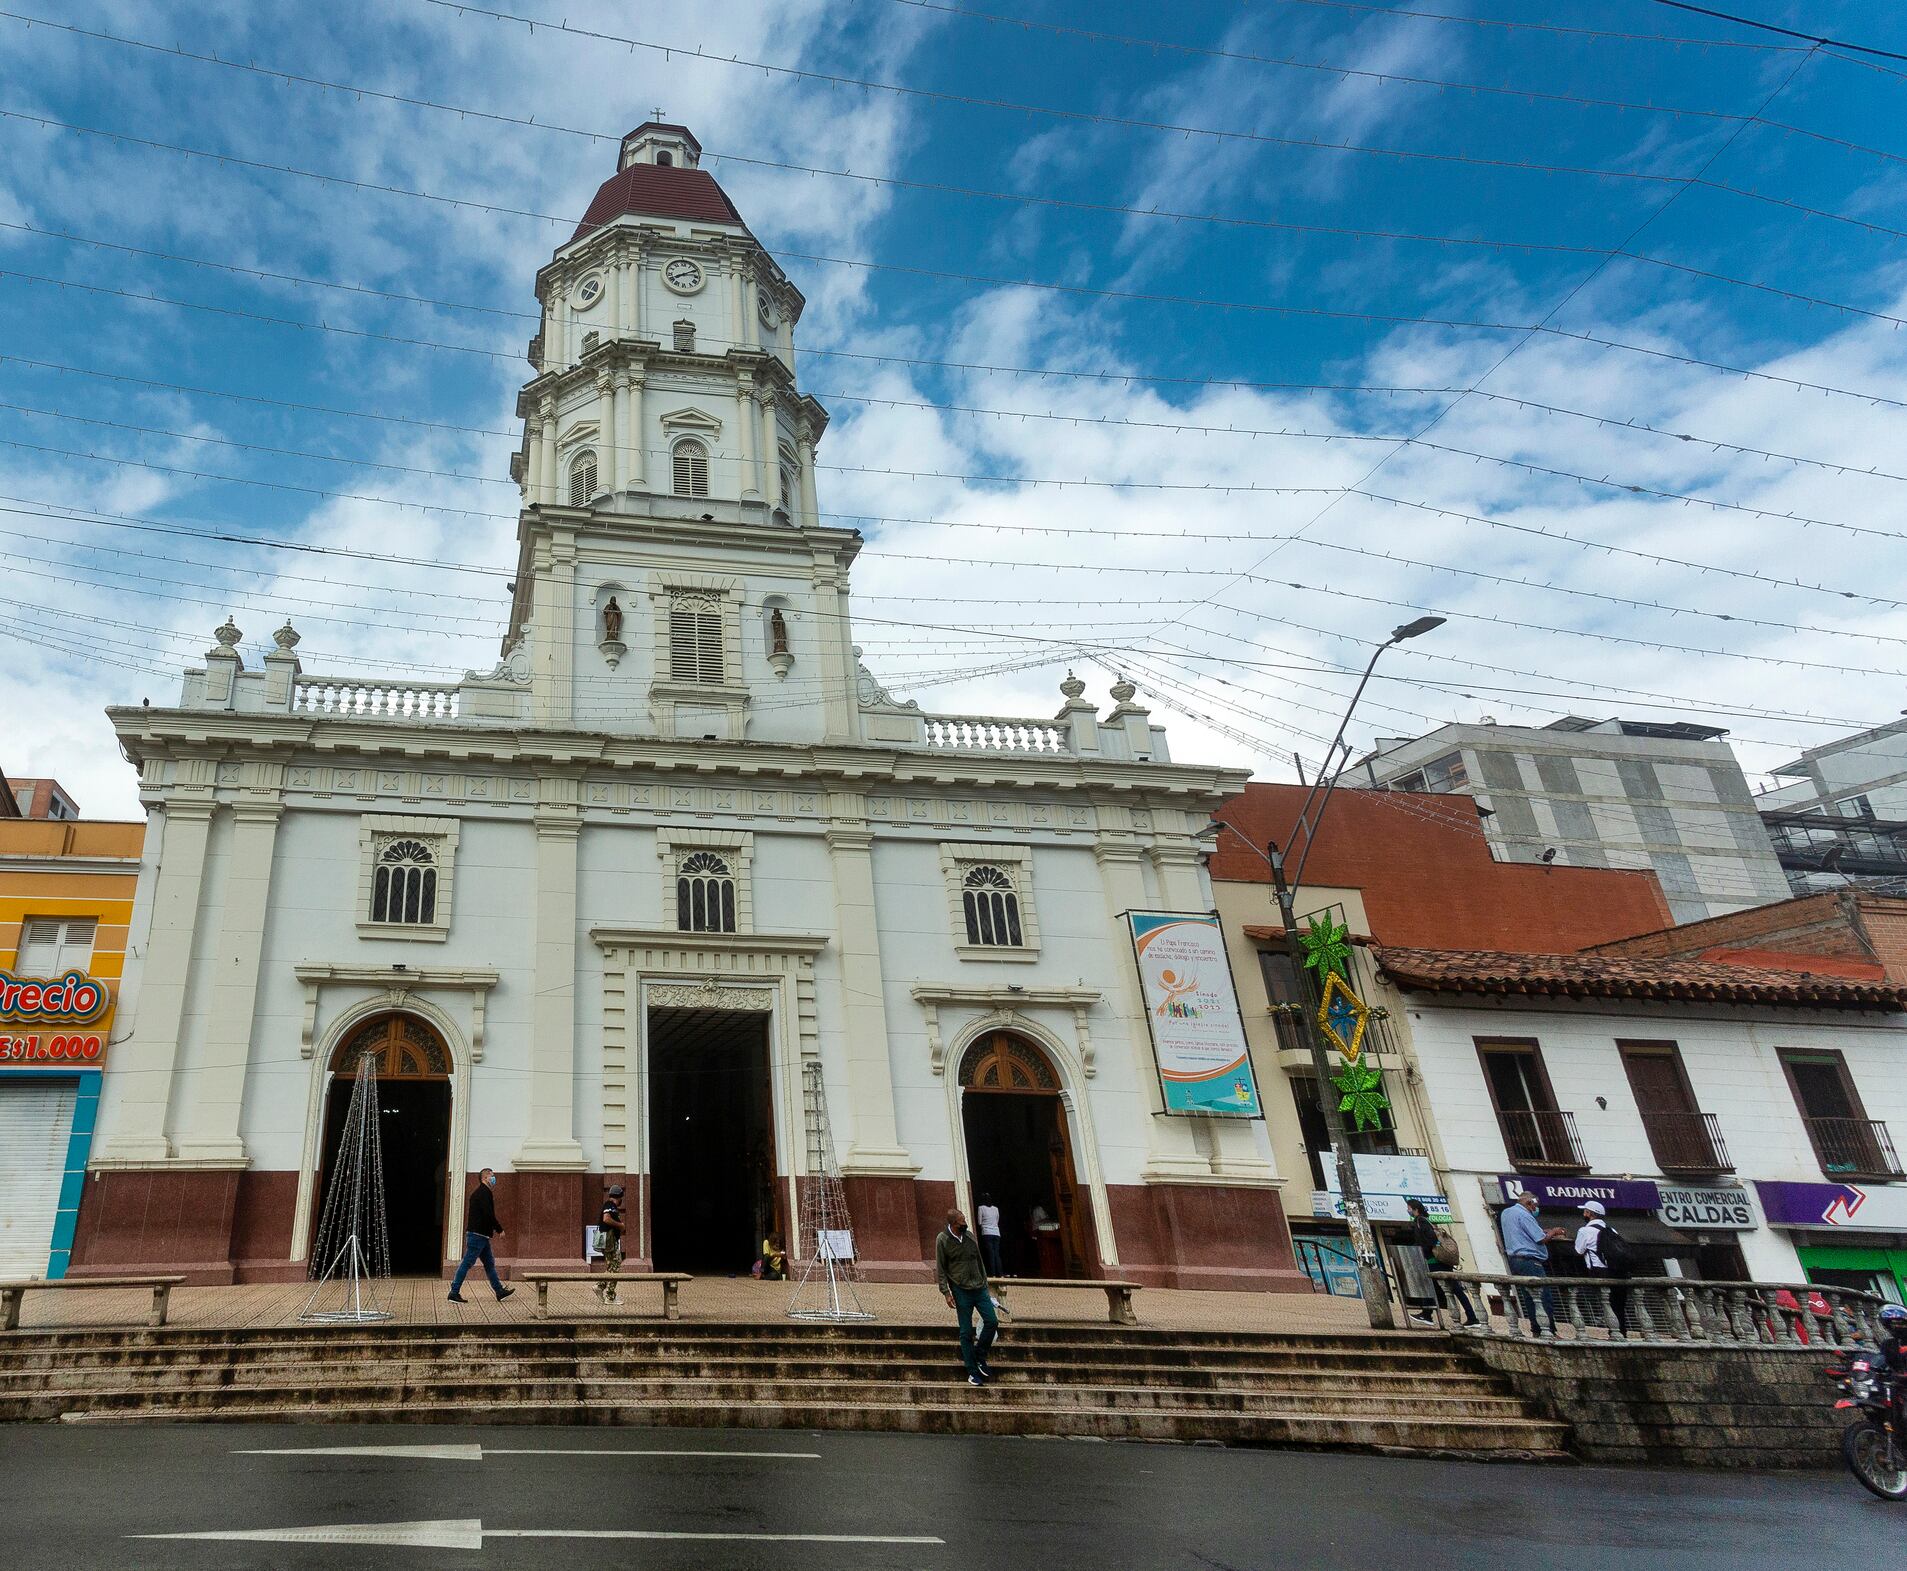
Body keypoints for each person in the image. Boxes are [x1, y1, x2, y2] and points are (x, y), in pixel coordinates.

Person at [935, 1208, 997, 1387]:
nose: (964, 1225)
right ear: (953, 1224)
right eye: (961, 1223)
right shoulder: (943, 1240)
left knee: (992, 1321)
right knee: (966, 1331)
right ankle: (972, 1370)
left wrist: (985, 1283)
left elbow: (979, 1261)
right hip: (961, 1290)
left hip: (979, 1287)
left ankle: (980, 1356)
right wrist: (946, 1292)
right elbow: (941, 1268)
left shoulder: (969, 1237)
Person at [1498, 1190, 1564, 1335]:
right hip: (1530, 1261)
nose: (1536, 1209)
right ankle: (1549, 1331)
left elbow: (1521, 1232)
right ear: (1529, 1203)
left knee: (1529, 1298)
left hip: (1515, 1261)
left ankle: (1536, 1329)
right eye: (1535, 1205)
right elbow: (1540, 1239)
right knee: (1543, 1296)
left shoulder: (1506, 1213)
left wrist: (1544, 1230)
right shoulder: (1524, 1214)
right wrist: (1553, 1232)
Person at [1406, 1198, 1477, 1328]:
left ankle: (1427, 1315)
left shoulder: (1420, 1221)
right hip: (1440, 1261)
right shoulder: (1427, 1220)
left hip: (1434, 1262)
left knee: (1431, 1286)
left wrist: (1422, 1251)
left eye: (1409, 1208)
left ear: (1415, 1209)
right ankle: (1471, 1317)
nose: (1408, 1210)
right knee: (1452, 1289)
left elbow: (1431, 1240)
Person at [448, 1167, 515, 1304]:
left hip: (482, 1236)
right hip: (477, 1236)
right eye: (491, 1175)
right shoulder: (483, 1193)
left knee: (489, 1264)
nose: (494, 1178)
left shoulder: (482, 1193)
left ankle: (499, 1291)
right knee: (467, 1263)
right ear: (485, 1178)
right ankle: (454, 1292)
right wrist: (499, 1229)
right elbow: (488, 1214)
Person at [1575, 1201, 1631, 1336]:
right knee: (1618, 1304)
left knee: (1602, 1302)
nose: (1584, 1214)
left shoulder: (1584, 1231)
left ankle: (1612, 1331)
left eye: (1585, 1211)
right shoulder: (1612, 1230)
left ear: (1589, 1214)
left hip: (1598, 1271)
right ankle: (1620, 1331)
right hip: (1617, 1270)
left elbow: (1579, 1250)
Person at [596, 1185, 626, 1305]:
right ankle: (610, 1296)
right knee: (616, 1267)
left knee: (612, 1267)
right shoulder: (610, 1205)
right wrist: (621, 1225)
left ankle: (600, 1287)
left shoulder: (610, 1206)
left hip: (610, 1241)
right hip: (609, 1241)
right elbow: (606, 1219)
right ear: (619, 1197)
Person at [975, 1193, 1005, 1277]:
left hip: (987, 1232)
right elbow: (997, 1220)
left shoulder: (981, 1208)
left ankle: (992, 1273)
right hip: (996, 1232)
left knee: (990, 1253)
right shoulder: (996, 1209)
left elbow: (979, 1222)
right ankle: (1000, 1273)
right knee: (997, 1254)